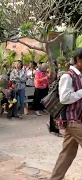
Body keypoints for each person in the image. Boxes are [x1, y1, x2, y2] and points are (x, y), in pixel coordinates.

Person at [50, 48, 82, 180]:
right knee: (67, 152)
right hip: (71, 119)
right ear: (79, 60)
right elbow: (64, 98)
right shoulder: (67, 76)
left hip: (78, 118)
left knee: (67, 153)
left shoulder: (80, 76)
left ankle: (55, 178)